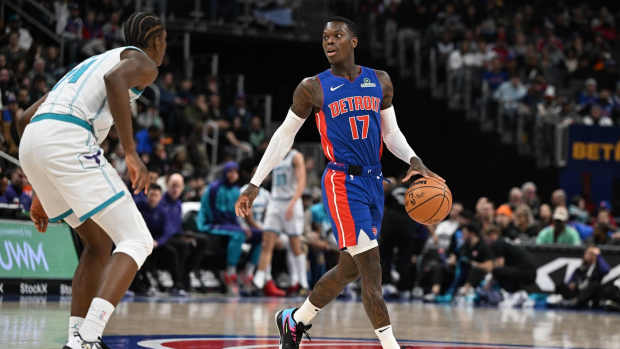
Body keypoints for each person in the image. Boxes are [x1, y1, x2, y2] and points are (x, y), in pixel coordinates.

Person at [235, 16, 443, 349]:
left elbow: (390, 133)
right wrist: (255, 182)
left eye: (337, 35)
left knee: (349, 269)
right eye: (325, 37)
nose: (329, 41)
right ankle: (392, 346)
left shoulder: (381, 81)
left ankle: (296, 320)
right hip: (341, 182)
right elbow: (283, 136)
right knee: (371, 269)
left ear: (354, 42)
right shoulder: (312, 87)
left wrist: (415, 161)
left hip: (374, 180)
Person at [17, 13, 166, 349]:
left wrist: (42, 189)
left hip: (37, 142)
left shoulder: (93, 63)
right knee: (138, 240)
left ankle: (74, 339)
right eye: (165, 42)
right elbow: (117, 81)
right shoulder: (141, 62)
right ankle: (89, 338)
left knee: (98, 245)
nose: (164, 49)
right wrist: (130, 153)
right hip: (67, 140)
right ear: (157, 40)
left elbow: (26, 118)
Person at [252, 149, 308, 296]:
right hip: (275, 201)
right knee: (266, 242)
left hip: (291, 201)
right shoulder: (275, 154)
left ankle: (302, 283)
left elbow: (301, 181)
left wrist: (294, 202)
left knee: (295, 244)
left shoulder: (296, 156)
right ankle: (259, 280)